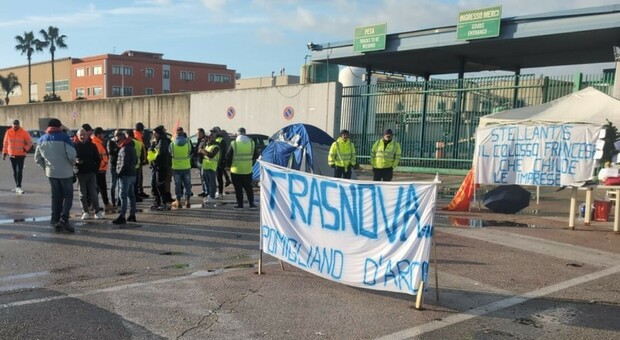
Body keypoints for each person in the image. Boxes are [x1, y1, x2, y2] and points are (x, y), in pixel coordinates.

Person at [34, 118, 76, 232]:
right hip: (66, 173)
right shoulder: (65, 138)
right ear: (59, 127)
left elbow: (37, 158)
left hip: (51, 173)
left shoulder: (41, 139)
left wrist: (46, 168)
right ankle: (64, 219)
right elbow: (72, 156)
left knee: (56, 196)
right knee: (68, 196)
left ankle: (55, 219)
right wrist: (71, 166)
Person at [74, 128, 104, 220]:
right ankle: (85, 211)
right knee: (82, 194)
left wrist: (94, 170)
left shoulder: (92, 146)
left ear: (87, 136)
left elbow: (98, 159)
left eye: (84, 134)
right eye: (81, 135)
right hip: (80, 174)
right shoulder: (75, 146)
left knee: (93, 193)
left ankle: (97, 211)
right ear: (78, 136)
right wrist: (76, 162)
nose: (82, 136)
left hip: (91, 173)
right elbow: (71, 159)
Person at [226, 127, 258, 210]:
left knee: (238, 189)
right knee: (249, 188)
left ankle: (240, 204)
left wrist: (229, 166)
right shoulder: (252, 143)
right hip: (248, 170)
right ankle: (251, 204)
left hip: (236, 171)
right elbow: (255, 156)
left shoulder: (234, 144)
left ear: (237, 134)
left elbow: (228, 157)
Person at [113, 130, 137, 224]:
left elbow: (123, 163)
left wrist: (118, 173)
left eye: (117, 140)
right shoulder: (131, 147)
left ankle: (122, 216)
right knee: (131, 195)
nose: (116, 143)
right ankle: (132, 215)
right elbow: (135, 161)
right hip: (132, 174)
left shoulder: (124, 149)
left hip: (125, 175)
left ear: (122, 139)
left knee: (123, 196)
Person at [2, 119, 33, 194]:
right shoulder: (8, 132)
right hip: (11, 155)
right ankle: (17, 186)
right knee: (15, 171)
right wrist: (4, 153)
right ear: (12, 125)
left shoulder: (24, 132)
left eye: (17, 124)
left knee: (19, 170)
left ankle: (19, 186)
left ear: (19, 125)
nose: (15, 126)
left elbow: (30, 143)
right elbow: (5, 143)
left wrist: (25, 149)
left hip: (21, 155)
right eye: (14, 124)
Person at [169, 131, 193, 209]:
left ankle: (178, 201)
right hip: (186, 167)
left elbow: (170, 153)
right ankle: (188, 200)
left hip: (176, 168)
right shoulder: (188, 143)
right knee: (187, 184)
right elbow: (190, 152)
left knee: (177, 184)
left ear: (176, 136)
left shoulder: (172, 144)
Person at [92, 127, 112, 211]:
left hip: (101, 168)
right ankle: (106, 204)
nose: (103, 135)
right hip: (99, 169)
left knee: (97, 188)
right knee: (102, 188)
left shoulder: (98, 142)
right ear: (98, 135)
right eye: (102, 134)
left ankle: (92, 204)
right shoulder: (96, 143)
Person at [151, 125, 171, 210]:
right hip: (157, 166)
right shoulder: (157, 141)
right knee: (155, 185)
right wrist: (152, 145)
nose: (153, 135)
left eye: (155, 133)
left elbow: (160, 154)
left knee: (160, 185)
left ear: (158, 133)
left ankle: (163, 203)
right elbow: (152, 151)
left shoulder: (163, 141)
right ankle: (157, 202)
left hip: (161, 166)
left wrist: (154, 159)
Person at [199, 132, 220, 205]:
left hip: (211, 167)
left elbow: (211, 155)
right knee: (207, 182)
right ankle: (209, 195)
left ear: (212, 138)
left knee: (212, 183)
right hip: (206, 166)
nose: (207, 139)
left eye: (208, 138)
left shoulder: (216, 146)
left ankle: (212, 196)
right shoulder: (208, 145)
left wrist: (202, 151)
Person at [211, 126, 231, 199]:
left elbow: (223, 152)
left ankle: (220, 193)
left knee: (219, 178)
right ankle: (217, 192)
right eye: (212, 132)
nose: (212, 133)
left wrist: (221, 162)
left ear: (218, 132)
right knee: (216, 177)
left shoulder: (221, 140)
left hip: (219, 162)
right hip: (214, 162)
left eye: (214, 132)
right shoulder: (214, 139)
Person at [134, 122, 149, 199]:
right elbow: (139, 149)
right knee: (138, 178)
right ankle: (138, 192)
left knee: (140, 177)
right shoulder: (137, 136)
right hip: (138, 161)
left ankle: (140, 191)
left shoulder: (138, 135)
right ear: (141, 130)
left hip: (139, 160)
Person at [107, 130, 120, 207]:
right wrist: (117, 149)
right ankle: (112, 200)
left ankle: (119, 200)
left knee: (120, 184)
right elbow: (111, 152)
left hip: (120, 165)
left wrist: (117, 150)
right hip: (113, 165)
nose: (118, 136)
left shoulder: (121, 142)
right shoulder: (111, 142)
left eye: (119, 135)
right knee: (113, 183)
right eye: (117, 135)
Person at [193, 128, 208, 197]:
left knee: (204, 177)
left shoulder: (205, 140)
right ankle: (204, 190)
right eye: (196, 134)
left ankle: (206, 191)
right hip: (198, 160)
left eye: (198, 133)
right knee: (202, 177)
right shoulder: (199, 140)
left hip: (202, 161)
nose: (197, 135)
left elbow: (205, 150)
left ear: (202, 133)